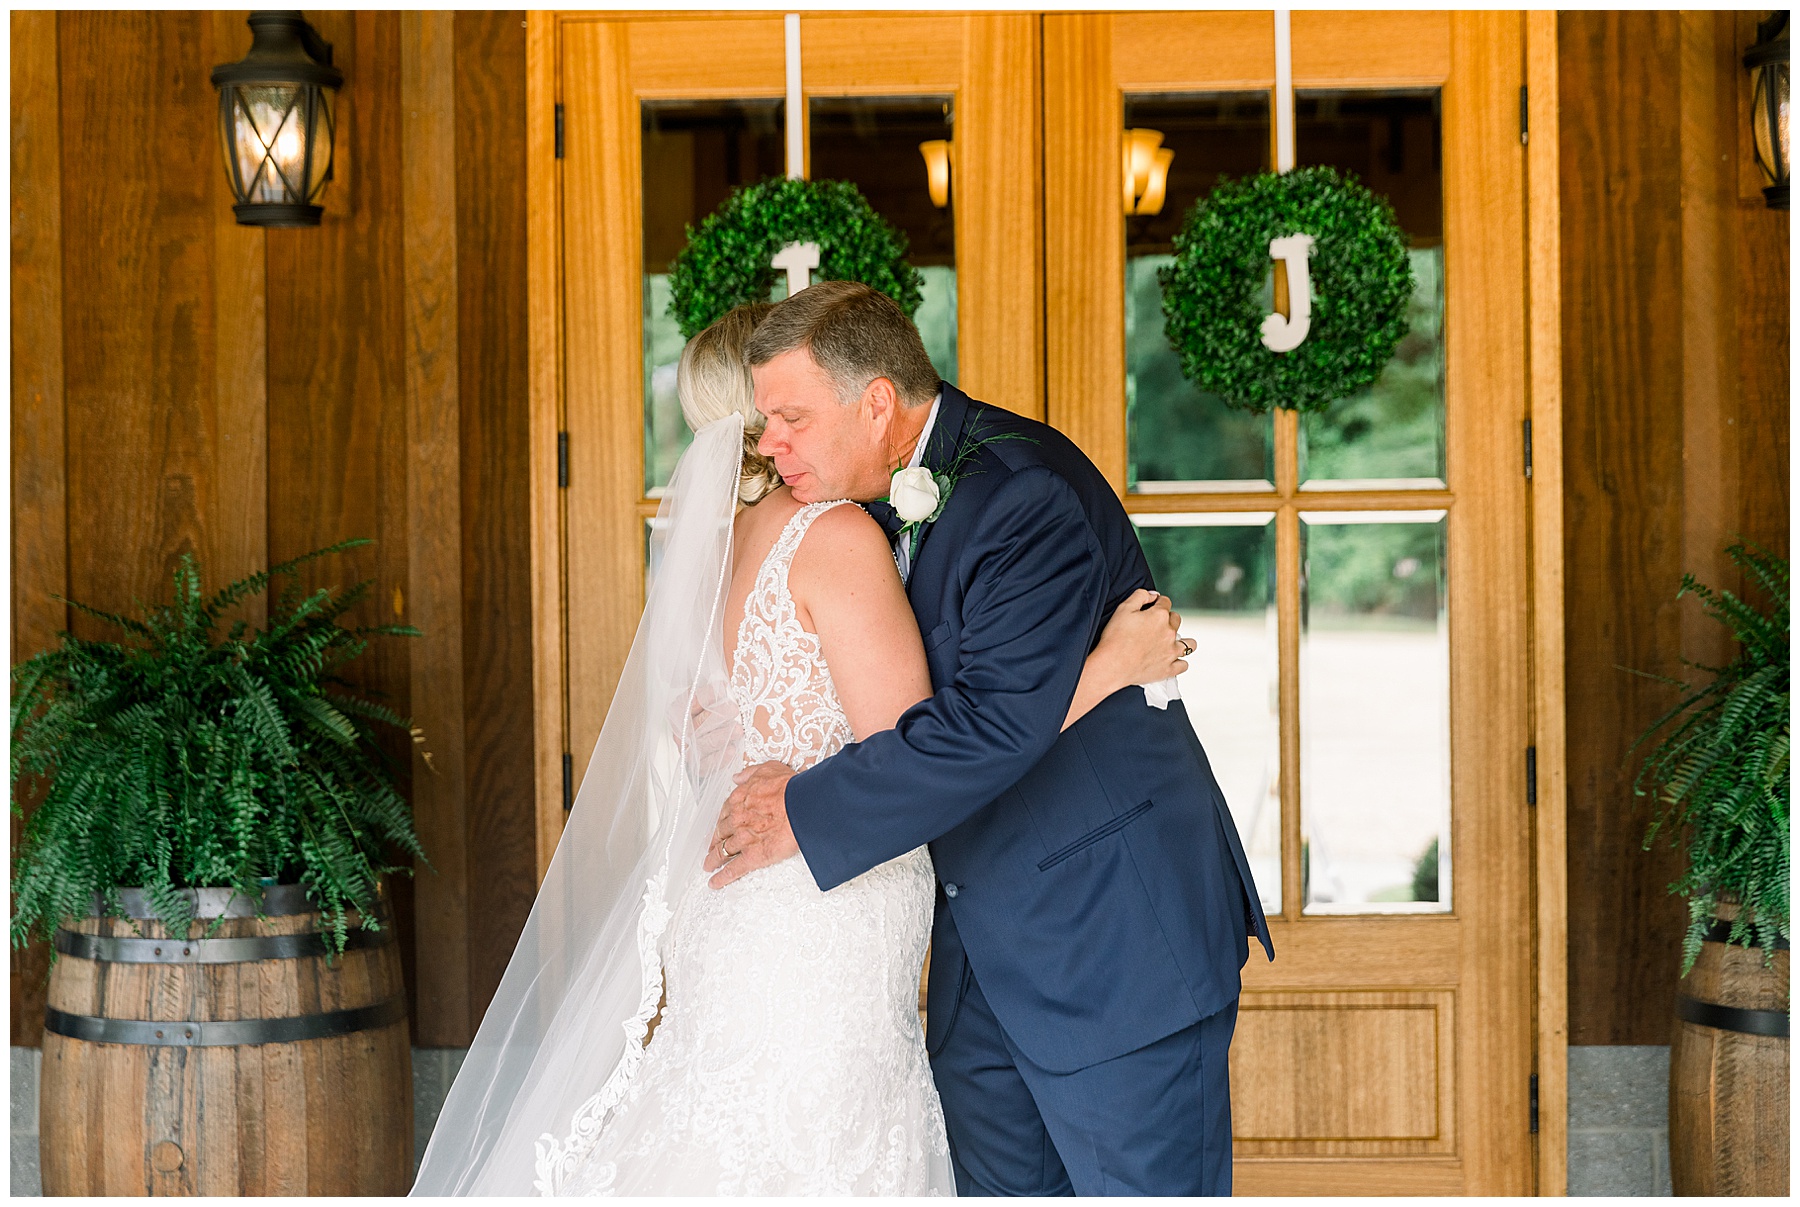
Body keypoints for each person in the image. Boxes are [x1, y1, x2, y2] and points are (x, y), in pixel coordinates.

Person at [410, 302, 1192, 1197]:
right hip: (826, 914)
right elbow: (933, 737)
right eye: (770, 417)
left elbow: (795, 729)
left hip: (749, 912)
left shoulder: (710, 557)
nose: (780, 436)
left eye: (793, 416)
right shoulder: (835, 534)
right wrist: (1105, 669)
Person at [708, 281, 1274, 1197]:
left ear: (879, 402)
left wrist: (798, 814)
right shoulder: (849, 508)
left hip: (1109, 941)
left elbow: (993, 723)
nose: (768, 443)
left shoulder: (1022, 492)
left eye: (791, 418)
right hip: (975, 962)